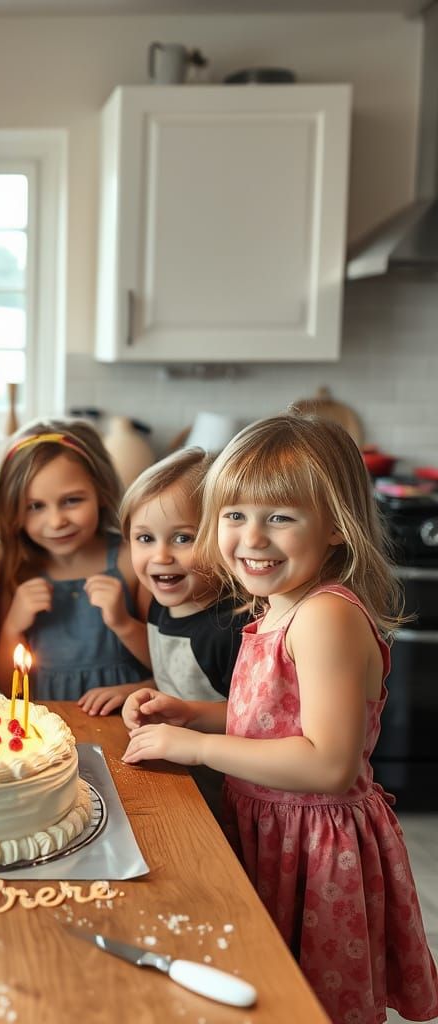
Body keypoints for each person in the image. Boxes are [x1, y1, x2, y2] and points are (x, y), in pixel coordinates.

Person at [122, 414, 438, 1024]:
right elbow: (275, 721)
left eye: (281, 517)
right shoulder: (278, 606)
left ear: (337, 529)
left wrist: (195, 746)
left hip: (315, 848)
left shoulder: (325, 617)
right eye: (234, 515)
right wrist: (197, 713)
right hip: (271, 830)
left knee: (309, 1005)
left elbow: (325, 762)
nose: (252, 538)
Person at [119, 447, 248, 818]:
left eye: (182, 538)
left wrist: (187, 714)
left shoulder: (232, 625)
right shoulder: (161, 604)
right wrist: (137, 691)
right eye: (145, 539)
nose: (161, 556)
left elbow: (254, 717)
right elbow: (177, 678)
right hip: (179, 780)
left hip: (226, 794)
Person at [0, 419, 150, 714]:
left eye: (72, 500)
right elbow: (7, 688)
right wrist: (12, 628)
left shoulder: (131, 560)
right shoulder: (17, 570)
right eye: (35, 506)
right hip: (46, 727)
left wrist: (122, 624)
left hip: (125, 723)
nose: (56, 521)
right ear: (13, 509)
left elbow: (168, 667)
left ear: (101, 493)